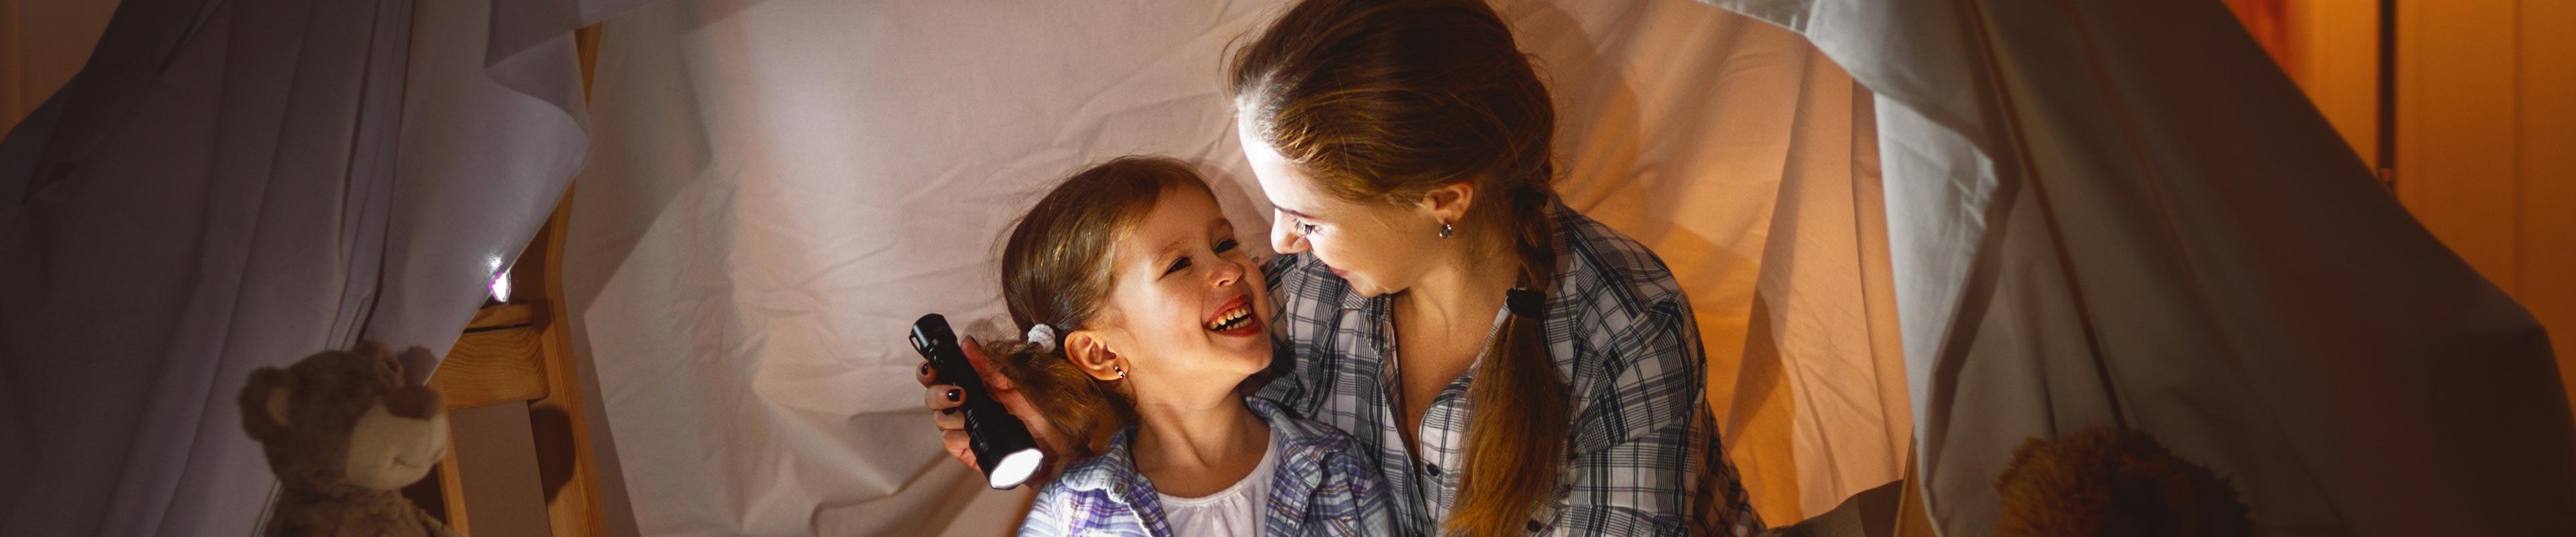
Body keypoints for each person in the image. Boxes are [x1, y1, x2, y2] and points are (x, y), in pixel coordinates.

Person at [930, 0, 1760, 534]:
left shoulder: (1624, 326)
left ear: (1442, 199)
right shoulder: (1308, 296)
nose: (1276, 245)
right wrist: (1053, 415)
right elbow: (1167, 376)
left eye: (1310, 217)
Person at [947, 156, 1390, 536]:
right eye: (1179, 264)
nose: (1229, 269)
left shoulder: (1339, 467)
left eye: (1225, 244)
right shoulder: (1070, 517)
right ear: (1099, 354)